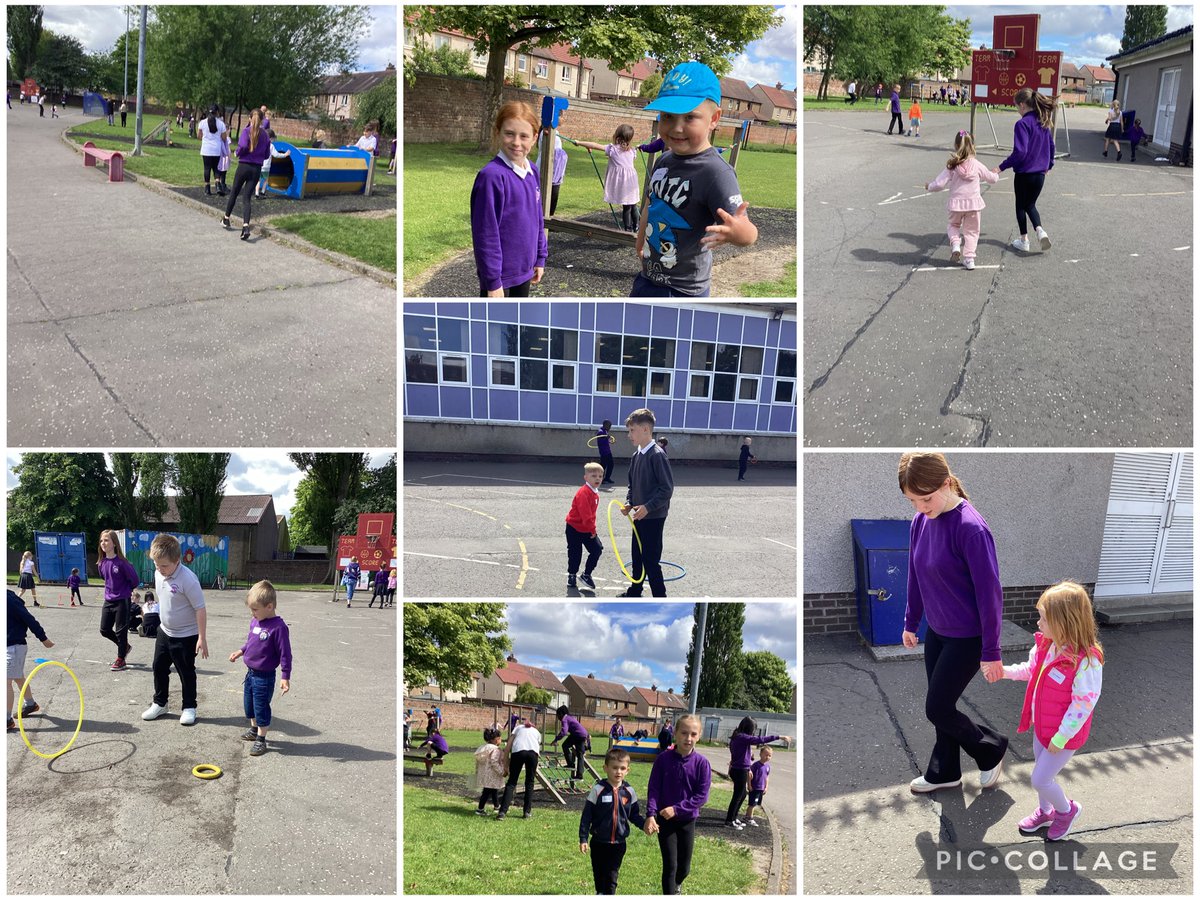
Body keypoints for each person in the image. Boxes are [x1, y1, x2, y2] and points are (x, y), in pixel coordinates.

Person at [899, 452, 1009, 794]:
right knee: (942, 707)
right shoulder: (921, 521)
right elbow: (916, 574)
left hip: (968, 638)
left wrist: (991, 651)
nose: (920, 507)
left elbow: (990, 595)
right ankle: (945, 771)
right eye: (912, 501)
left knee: (937, 708)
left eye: (926, 499)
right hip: (938, 632)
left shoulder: (971, 529)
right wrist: (911, 621)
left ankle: (990, 748)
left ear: (947, 483)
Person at [634, 61, 758, 297]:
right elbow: (651, 205)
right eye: (668, 116)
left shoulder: (716, 173)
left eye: (690, 117)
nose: (676, 128)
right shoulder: (663, 161)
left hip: (683, 289)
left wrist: (740, 233)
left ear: (714, 119)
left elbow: (748, 231)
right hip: (648, 278)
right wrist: (640, 241)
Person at [994, 581, 1103, 841]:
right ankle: (1045, 812)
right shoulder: (1046, 645)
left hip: (1063, 736)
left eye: (1044, 618)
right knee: (1042, 774)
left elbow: (1083, 704)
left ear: (1065, 622)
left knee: (1040, 779)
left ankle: (1066, 811)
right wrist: (1003, 672)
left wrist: (1061, 737)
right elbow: (1030, 670)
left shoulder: (1086, 661)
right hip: (1043, 727)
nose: (1038, 623)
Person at [470, 101, 547, 297]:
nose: (516, 142)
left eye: (524, 136)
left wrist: (540, 257)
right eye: (509, 134)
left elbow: (537, 219)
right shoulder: (492, 177)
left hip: (525, 271)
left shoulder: (532, 171)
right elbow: (486, 233)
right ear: (498, 133)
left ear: (534, 138)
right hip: (500, 280)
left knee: (518, 317)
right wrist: (492, 282)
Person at [142, 534, 208, 726]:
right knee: (159, 667)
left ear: (177, 560)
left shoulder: (188, 579)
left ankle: (189, 707)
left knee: (186, 672)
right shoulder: (158, 573)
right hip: (164, 631)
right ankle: (160, 703)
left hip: (186, 636)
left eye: (164, 565)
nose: (159, 569)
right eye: (156, 564)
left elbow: (200, 608)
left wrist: (202, 637)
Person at [644, 714, 711, 895]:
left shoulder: (702, 764)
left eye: (693, 734)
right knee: (670, 865)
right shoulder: (663, 759)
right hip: (665, 821)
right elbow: (654, 789)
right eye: (684, 733)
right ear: (675, 733)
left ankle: (677, 885)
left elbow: (702, 796)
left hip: (687, 821)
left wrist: (676, 809)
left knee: (684, 868)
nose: (688, 738)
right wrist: (651, 814)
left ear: (699, 736)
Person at [228, 580, 292, 757]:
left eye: (255, 609)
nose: (252, 613)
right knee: (249, 706)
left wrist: (285, 676)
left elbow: (285, 654)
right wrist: (240, 651)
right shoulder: (255, 622)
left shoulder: (279, 628)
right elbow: (251, 642)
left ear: (269, 606)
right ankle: (254, 730)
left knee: (261, 707)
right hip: (250, 674)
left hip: (264, 677)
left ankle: (261, 739)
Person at [617, 408, 674, 598]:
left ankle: (660, 597)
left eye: (632, 430)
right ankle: (635, 591)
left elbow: (666, 489)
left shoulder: (657, 455)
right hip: (638, 516)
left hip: (654, 517)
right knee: (637, 556)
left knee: (650, 560)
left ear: (645, 429)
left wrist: (648, 507)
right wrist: (629, 503)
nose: (629, 435)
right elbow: (632, 485)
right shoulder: (636, 456)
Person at [925, 129, 999, 271]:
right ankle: (969, 259)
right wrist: (995, 174)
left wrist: (929, 186)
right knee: (972, 231)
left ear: (956, 146)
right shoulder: (977, 164)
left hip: (956, 204)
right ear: (973, 146)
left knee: (953, 225)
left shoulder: (953, 165)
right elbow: (991, 179)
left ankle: (955, 244)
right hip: (973, 204)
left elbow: (939, 184)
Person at [993, 87, 1055, 253]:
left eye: (1016, 106)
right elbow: (1052, 146)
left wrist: (1001, 167)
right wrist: (1049, 165)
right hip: (1040, 174)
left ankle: (1024, 240)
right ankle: (1040, 231)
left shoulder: (1022, 124)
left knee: (1021, 205)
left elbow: (1020, 152)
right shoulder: (1043, 122)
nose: (1017, 110)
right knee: (1031, 204)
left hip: (1024, 174)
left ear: (1022, 105)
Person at [580, 747, 647, 894]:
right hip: (598, 842)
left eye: (622, 768)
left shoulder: (629, 791)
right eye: (614, 767)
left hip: (619, 844)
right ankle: (600, 892)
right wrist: (583, 838)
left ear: (627, 770)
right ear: (606, 768)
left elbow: (634, 815)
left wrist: (644, 825)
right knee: (599, 874)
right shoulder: (598, 790)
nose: (618, 772)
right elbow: (587, 816)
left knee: (612, 875)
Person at [724, 716, 788, 829]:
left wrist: (749, 765)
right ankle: (729, 821)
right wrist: (779, 737)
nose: (753, 732)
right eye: (753, 729)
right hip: (740, 770)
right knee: (738, 795)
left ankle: (733, 817)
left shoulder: (738, 737)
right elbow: (761, 739)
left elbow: (740, 755)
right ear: (749, 728)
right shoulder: (742, 737)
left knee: (742, 794)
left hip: (740, 769)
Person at [573, 124, 641, 231]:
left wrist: (579, 142)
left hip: (623, 183)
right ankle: (636, 227)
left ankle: (628, 230)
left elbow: (595, 145)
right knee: (633, 205)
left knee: (626, 207)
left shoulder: (613, 149)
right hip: (632, 181)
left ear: (617, 136)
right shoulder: (632, 151)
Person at [7, 589, 55, 731]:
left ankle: (6, 720)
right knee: (18, 678)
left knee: (5, 682)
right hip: (8, 646)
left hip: (14, 646)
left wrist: (43, 638)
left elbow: (28, 618)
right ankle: (30, 704)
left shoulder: (8, 599)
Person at [223, 108, 270, 241]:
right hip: (256, 168)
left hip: (244, 166)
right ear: (262, 120)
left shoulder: (246, 131)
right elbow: (267, 154)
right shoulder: (265, 135)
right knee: (247, 198)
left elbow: (243, 146)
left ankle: (226, 218)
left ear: (250, 118)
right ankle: (245, 227)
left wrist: (237, 152)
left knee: (235, 192)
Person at [97, 529, 138, 670]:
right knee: (104, 630)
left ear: (114, 543)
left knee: (121, 631)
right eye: (101, 541)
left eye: (106, 540)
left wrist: (126, 590)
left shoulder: (122, 562)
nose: (103, 543)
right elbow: (104, 578)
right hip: (109, 600)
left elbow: (134, 580)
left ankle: (121, 659)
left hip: (122, 600)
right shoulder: (101, 563)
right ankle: (125, 646)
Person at [565, 462, 605, 591]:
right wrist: (592, 530)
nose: (597, 479)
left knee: (597, 549)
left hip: (586, 527)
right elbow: (586, 515)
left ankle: (586, 575)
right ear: (586, 478)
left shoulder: (594, 492)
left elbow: (590, 515)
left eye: (600, 476)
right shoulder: (584, 493)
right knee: (575, 552)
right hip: (574, 527)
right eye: (594, 476)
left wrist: (591, 528)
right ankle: (572, 575)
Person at [497, 716, 543, 819]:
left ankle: (502, 812)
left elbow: (508, 747)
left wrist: (506, 766)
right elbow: (537, 749)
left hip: (518, 752)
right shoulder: (536, 732)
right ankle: (527, 812)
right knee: (530, 782)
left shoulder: (517, 729)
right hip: (532, 754)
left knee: (512, 782)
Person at [551, 704, 590, 780]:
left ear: (561, 714)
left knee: (566, 746)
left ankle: (572, 766)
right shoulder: (570, 717)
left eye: (558, 715)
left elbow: (564, 732)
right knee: (579, 754)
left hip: (578, 735)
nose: (558, 717)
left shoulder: (565, 719)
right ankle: (578, 773)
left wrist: (556, 740)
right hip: (582, 734)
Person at [474, 727, 507, 815]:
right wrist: (502, 772)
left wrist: (477, 772)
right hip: (492, 774)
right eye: (500, 738)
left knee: (493, 790)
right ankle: (480, 809)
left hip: (484, 774)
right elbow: (494, 762)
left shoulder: (483, 748)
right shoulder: (495, 750)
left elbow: (478, 762)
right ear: (496, 739)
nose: (501, 740)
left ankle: (497, 806)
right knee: (487, 792)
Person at [537, 126, 568, 217]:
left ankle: (550, 215)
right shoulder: (546, 132)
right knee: (545, 192)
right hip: (547, 166)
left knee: (554, 193)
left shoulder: (555, 132)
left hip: (556, 167)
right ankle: (543, 215)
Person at [197, 105, 227, 197]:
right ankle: (218, 185)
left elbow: (199, 136)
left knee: (207, 168)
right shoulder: (221, 124)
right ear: (217, 112)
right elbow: (224, 138)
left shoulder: (202, 122)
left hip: (206, 149)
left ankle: (207, 188)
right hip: (216, 149)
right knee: (216, 168)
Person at [256, 129, 291, 198]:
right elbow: (276, 155)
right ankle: (262, 192)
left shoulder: (260, 144)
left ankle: (256, 193)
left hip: (259, 165)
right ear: (271, 138)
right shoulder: (271, 146)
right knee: (266, 180)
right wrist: (285, 155)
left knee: (258, 180)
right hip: (266, 167)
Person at [744, 745, 772, 827]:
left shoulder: (767, 766)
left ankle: (747, 817)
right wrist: (749, 785)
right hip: (754, 787)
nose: (767, 757)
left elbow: (766, 777)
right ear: (760, 754)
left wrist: (766, 787)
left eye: (769, 755)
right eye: (766, 755)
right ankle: (749, 818)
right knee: (752, 804)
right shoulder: (755, 765)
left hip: (761, 788)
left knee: (755, 803)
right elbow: (749, 776)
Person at [595, 419, 615, 484]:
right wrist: (606, 438)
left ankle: (607, 478)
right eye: (609, 426)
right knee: (603, 466)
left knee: (610, 464)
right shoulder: (600, 432)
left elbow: (605, 441)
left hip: (607, 451)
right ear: (605, 425)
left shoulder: (605, 431)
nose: (610, 428)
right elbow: (600, 442)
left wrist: (609, 441)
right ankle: (601, 479)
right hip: (604, 452)